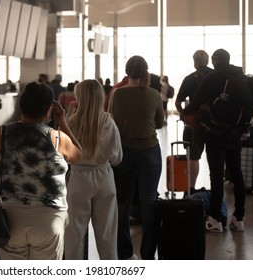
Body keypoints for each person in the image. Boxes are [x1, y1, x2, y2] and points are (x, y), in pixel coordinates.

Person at [0, 82, 82, 260]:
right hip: (49, 219)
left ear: (21, 106)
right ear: (49, 109)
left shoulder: (1, 134)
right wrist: (62, 122)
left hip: (9, 220)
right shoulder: (57, 137)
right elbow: (78, 155)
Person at [183, 48, 253, 233]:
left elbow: (196, 101)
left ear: (214, 61)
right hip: (234, 134)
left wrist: (185, 113)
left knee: (216, 177)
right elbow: (249, 105)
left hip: (215, 132)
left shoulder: (214, 78)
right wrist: (241, 128)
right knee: (237, 175)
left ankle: (216, 219)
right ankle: (239, 218)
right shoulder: (241, 78)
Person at [110, 55, 164, 260]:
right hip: (149, 151)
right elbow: (159, 122)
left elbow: (111, 121)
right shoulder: (153, 94)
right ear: (145, 72)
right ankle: (148, 254)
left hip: (123, 154)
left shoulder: (117, 94)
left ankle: (124, 254)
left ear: (127, 72)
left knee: (122, 204)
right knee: (149, 202)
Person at [64, 79, 123, 260]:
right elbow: (117, 158)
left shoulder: (72, 123)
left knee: (74, 234)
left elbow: (64, 153)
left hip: (78, 178)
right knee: (107, 235)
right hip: (104, 177)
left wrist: (67, 116)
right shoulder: (109, 123)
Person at [175, 50, 213, 190]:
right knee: (215, 156)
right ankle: (216, 187)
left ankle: (190, 188)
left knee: (193, 156)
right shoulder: (217, 77)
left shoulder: (190, 78)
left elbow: (178, 102)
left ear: (195, 61)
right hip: (214, 123)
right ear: (208, 61)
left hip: (195, 123)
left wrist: (184, 115)